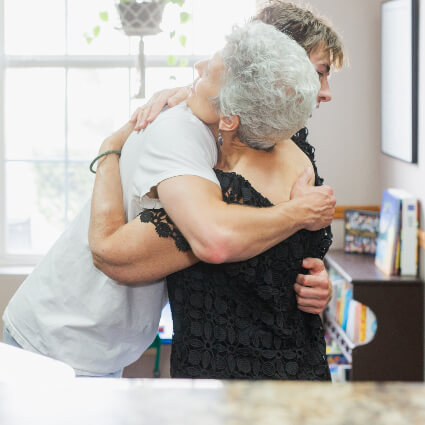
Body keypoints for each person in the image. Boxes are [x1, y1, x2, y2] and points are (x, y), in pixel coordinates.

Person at [2, 3, 339, 378]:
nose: (322, 93)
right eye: (317, 74)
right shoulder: (186, 139)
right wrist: (109, 149)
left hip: (232, 369)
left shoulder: (285, 149)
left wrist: (314, 280)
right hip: (63, 337)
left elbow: (282, 258)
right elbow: (118, 251)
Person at [90, 21, 331, 380]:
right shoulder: (296, 158)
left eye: (207, 74)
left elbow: (109, 251)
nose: (196, 73)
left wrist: (109, 149)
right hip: (304, 374)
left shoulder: (210, 196)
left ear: (230, 119)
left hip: (226, 384)